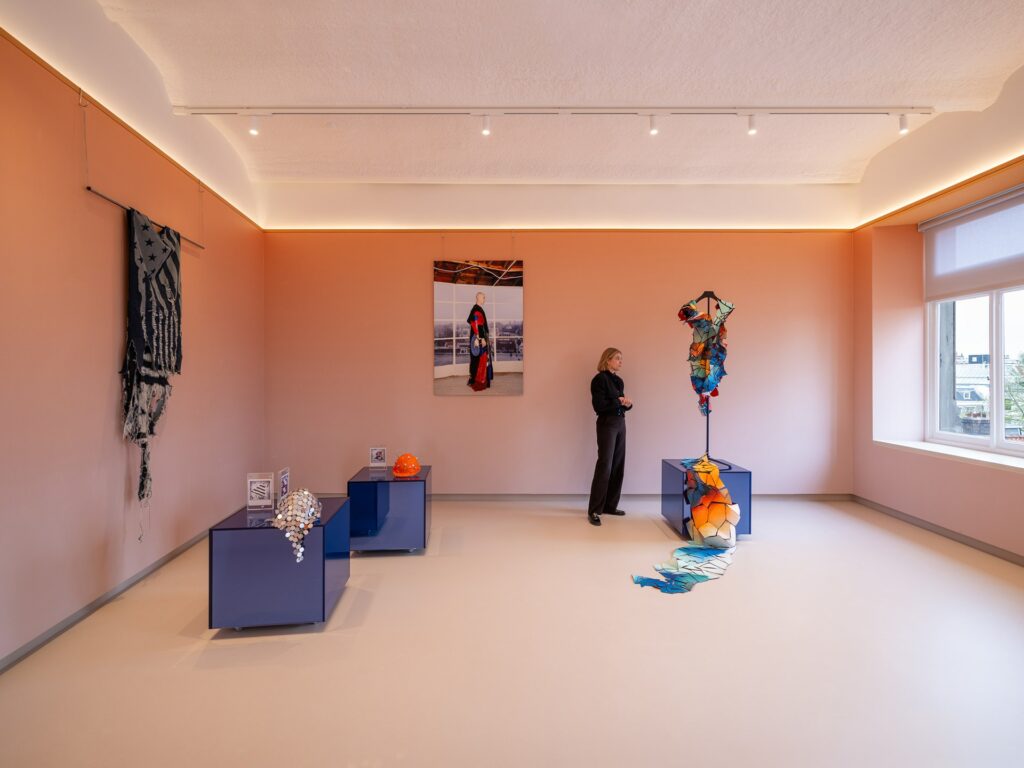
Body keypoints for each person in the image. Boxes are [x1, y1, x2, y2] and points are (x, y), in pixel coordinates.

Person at [587, 348, 632, 526]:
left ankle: (610, 506)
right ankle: (594, 510)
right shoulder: (599, 379)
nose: (621, 362)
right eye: (617, 358)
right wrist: (618, 401)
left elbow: (620, 403)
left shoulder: (618, 381)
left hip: (620, 423)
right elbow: (599, 406)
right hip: (607, 424)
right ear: (608, 360)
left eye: (621, 358)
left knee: (618, 464)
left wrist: (627, 403)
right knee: (605, 465)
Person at [467, 291, 493, 391]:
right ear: (478, 298)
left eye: (484, 297)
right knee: (479, 359)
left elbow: (478, 325)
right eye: (483, 297)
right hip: (478, 338)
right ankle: (477, 380)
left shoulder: (477, 309)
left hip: (478, 337)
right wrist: (481, 338)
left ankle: (474, 379)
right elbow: (476, 325)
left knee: (477, 359)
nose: (484, 299)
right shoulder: (476, 310)